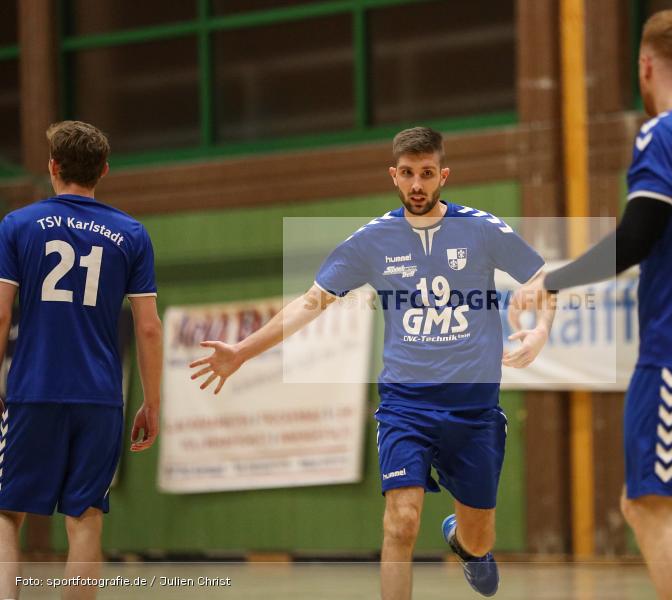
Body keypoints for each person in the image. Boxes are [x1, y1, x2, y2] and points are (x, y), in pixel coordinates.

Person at [189, 126, 554, 600]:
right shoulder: (373, 240)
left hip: (473, 408)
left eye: (426, 174)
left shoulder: (481, 229)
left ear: (443, 174)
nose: (417, 184)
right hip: (406, 407)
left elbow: (543, 275)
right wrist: (241, 351)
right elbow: (309, 302)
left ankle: (468, 547)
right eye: (407, 174)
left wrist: (541, 330)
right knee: (400, 524)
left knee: (478, 535)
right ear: (393, 176)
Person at [510, 9, 672, 600]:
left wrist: (555, 279)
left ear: (644, 67)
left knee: (652, 509)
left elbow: (635, 238)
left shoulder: (664, 135)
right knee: (649, 505)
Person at [0, 121, 162, 599]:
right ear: (104, 171)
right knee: (86, 517)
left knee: (7, 512)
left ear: (52, 167)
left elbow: (1, 310)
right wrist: (152, 403)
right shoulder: (131, 233)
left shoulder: (18, 225)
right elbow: (149, 327)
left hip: (34, 389)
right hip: (99, 397)